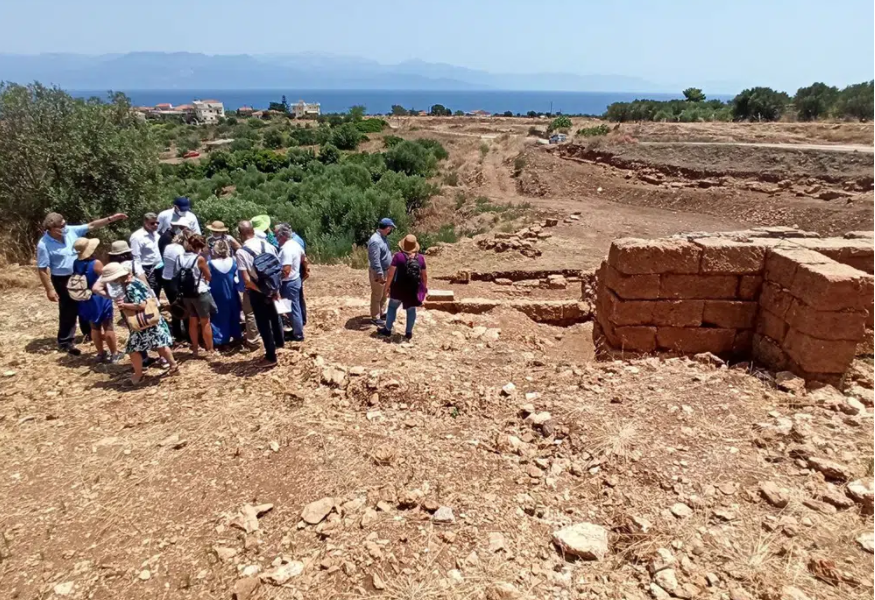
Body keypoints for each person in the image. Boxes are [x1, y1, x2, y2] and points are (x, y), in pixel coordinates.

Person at [36, 211, 127, 355]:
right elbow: (42, 268)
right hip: (62, 278)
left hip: (80, 272)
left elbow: (91, 225)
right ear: (51, 229)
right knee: (68, 308)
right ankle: (65, 341)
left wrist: (111, 218)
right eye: (61, 226)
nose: (64, 228)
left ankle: (89, 333)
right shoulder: (43, 244)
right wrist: (50, 289)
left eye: (64, 224)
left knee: (85, 302)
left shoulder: (70, 230)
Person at [96, 263, 178, 385]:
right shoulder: (136, 281)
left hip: (143, 325)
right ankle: (173, 366)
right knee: (160, 343)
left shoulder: (130, 287)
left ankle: (138, 375)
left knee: (132, 349)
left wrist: (124, 305)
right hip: (152, 320)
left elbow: (141, 305)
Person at [236, 220, 284, 367]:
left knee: (263, 323)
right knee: (276, 317)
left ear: (240, 234)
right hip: (273, 286)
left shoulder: (241, 252)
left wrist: (263, 291)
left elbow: (247, 280)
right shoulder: (269, 245)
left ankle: (271, 356)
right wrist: (274, 290)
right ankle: (281, 346)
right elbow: (277, 269)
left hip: (258, 291)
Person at [71, 238, 120, 363]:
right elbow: (106, 278)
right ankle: (114, 354)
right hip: (100, 297)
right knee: (108, 325)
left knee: (94, 327)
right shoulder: (96, 263)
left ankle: (100, 353)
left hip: (86, 297)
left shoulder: (76, 262)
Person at [378, 235, 428, 341]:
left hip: (398, 288)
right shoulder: (420, 258)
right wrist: (424, 289)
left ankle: (387, 330)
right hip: (413, 289)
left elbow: (391, 274)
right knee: (411, 310)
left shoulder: (398, 256)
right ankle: (408, 332)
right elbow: (424, 276)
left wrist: (387, 287)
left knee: (392, 308)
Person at [177, 234, 215, 358]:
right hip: (200, 292)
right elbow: (209, 276)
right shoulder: (200, 259)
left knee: (192, 321)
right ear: (200, 246)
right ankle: (210, 349)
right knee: (205, 322)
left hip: (187, 294)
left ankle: (195, 349)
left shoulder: (180, 258)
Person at [208, 240, 243, 347]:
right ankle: (236, 335)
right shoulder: (233, 261)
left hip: (217, 293)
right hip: (232, 291)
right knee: (234, 313)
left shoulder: (210, 264)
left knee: (219, 315)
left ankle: (221, 339)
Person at [275, 223, 306, 342]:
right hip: (295, 279)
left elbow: (286, 270)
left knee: (293, 309)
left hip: (288, 282)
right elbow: (304, 258)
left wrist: (276, 279)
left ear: (282, 236)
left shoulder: (286, 249)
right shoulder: (295, 244)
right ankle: (296, 330)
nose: (275, 237)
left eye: (276, 235)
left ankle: (298, 334)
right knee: (294, 307)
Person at [160, 227, 189, 342]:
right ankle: (187, 334)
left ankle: (177, 333)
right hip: (175, 280)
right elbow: (182, 266)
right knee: (182, 307)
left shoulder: (168, 247)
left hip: (166, 279)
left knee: (174, 306)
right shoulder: (180, 250)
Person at [367, 218, 395, 326]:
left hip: (386, 270)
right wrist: (379, 274)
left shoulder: (383, 238)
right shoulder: (375, 240)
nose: (391, 230)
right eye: (391, 228)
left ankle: (382, 312)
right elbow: (375, 259)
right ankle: (375, 317)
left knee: (384, 293)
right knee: (377, 294)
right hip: (379, 271)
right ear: (387, 228)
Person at [129, 213, 164, 299]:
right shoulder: (137, 237)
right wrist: (140, 273)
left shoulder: (157, 235)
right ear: (145, 223)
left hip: (159, 266)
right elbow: (136, 257)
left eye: (157, 223)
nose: (155, 225)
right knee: (150, 291)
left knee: (158, 288)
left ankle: (157, 307)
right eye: (152, 223)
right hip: (147, 268)